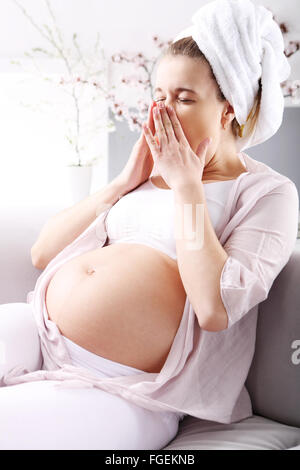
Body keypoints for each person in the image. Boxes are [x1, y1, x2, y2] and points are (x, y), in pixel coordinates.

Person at [0, 0, 298, 450]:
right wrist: (121, 183)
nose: (164, 111)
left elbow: (215, 310)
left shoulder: (266, 193)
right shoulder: (145, 176)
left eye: (184, 98)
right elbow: (43, 252)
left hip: (127, 389)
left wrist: (187, 188)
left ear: (229, 108)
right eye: (159, 96)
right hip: (39, 329)